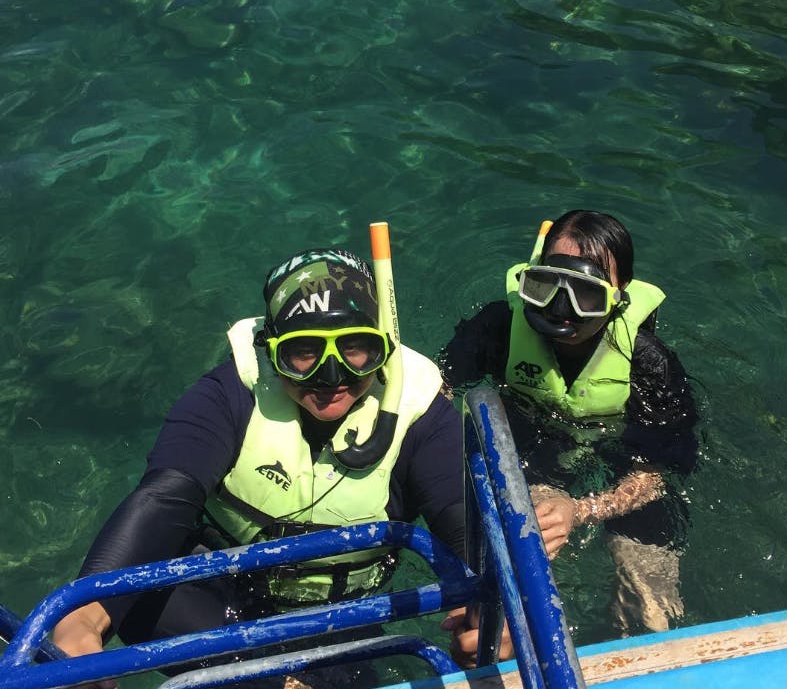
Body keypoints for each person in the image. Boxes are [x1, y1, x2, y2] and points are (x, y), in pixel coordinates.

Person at [52, 246, 467, 689]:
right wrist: (83, 619)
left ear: (383, 346)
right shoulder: (226, 396)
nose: (332, 377)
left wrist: (490, 604)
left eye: (356, 348)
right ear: (270, 352)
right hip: (217, 596)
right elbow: (165, 497)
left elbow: (462, 520)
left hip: (342, 617)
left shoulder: (423, 415)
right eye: (303, 352)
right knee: (137, 607)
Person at [440, 209, 699, 639]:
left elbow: (659, 473)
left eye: (586, 296)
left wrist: (581, 511)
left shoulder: (649, 363)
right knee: (502, 585)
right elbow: (438, 392)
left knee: (649, 605)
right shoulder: (500, 327)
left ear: (620, 296)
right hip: (530, 450)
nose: (562, 311)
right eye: (546, 289)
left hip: (622, 466)